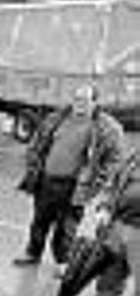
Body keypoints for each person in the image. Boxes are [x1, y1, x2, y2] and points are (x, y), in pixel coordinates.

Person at [13, 84, 125, 269]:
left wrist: (97, 182)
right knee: (39, 221)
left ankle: (63, 262)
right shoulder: (57, 118)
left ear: (95, 103)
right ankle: (32, 254)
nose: (79, 103)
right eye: (76, 98)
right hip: (46, 181)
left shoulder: (108, 129)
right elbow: (37, 142)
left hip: (74, 186)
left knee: (66, 228)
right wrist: (32, 164)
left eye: (84, 100)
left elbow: (114, 160)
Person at [69, 149, 140, 296]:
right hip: (120, 224)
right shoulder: (135, 156)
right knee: (110, 270)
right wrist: (105, 207)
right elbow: (115, 183)